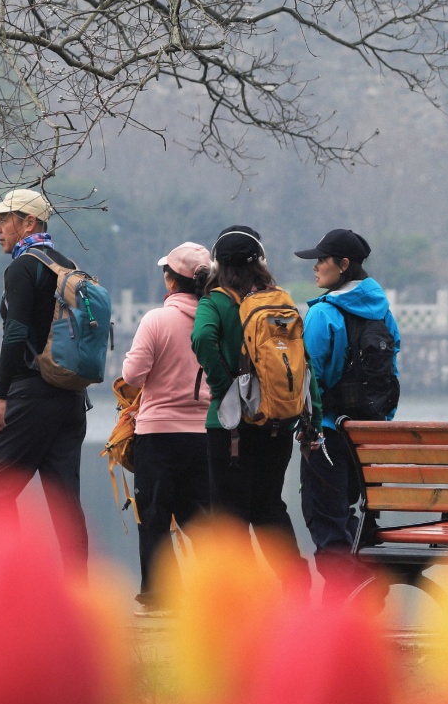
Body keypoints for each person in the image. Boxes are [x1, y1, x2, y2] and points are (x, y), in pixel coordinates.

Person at [0, 188, 90, 572]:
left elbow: (15, 334)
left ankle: (8, 586)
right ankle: (77, 594)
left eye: (4, 219)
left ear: (29, 223)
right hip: (71, 399)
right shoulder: (67, 265)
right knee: (65, 504)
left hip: (29, 395)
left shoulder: (23, 267)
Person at [193, 225, 310, 574]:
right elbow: (304, 363)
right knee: (269, 506)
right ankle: (296, 583)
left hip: (230, 428)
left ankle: (243, 596)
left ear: (217, 264)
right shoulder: (279, 301)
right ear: (260, 262)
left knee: (230, 516)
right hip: (277, 422)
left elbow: (202, 338)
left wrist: (223, 388)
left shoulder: (215, 302)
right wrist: (311, 417)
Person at [296, 227, 399, 589]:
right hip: (367, 434)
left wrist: (306, 428)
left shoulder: (323, 315)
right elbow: (391, 374)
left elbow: (310, 379)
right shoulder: (383, 313)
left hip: (326, 433)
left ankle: (346, 598)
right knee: (346, 513)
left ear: (342, 264)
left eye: (321, 260)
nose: (314, 267)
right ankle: (365, 583)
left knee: (324, 518)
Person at [122, 242, 213, 606]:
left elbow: (132, 375)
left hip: (158, 434)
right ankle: (218, 590)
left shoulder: (156, 320)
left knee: (154, 515)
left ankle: (161, 594)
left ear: (171, 280)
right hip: (205, 434)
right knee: (202, 519)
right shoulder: (216, 321)